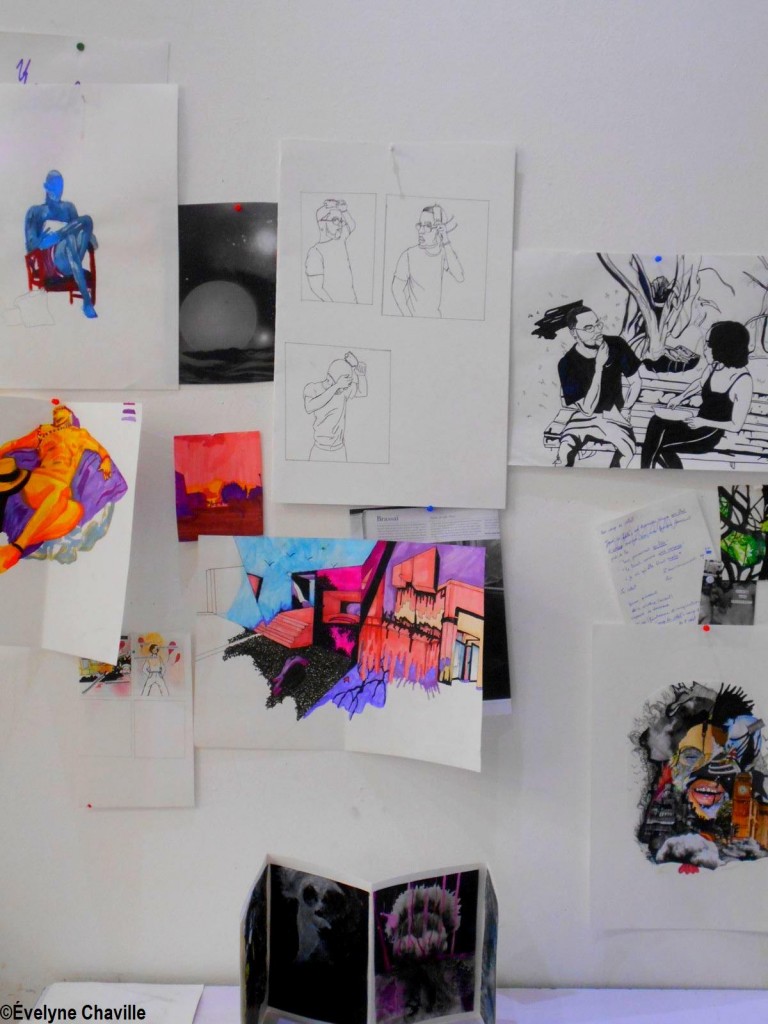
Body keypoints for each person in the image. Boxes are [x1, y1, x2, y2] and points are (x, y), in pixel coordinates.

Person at [0, 404, 120, 572]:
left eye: (62, 412)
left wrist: (105, 459)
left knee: (74, 511)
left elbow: (100, 449)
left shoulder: (80, 435)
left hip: (60, 486)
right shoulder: (43, 432)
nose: (57, 414)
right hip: (37, 483)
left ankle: (14, 548)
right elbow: (15, 444)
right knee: (58, 491)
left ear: (70, 416)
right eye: (55, 413)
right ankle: (18, 547)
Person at [640, 321, 752, 469]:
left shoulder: (743, 381)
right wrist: (680, 398)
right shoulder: (715, 367)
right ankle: (657, 472)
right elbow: (699, 383)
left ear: (723, 347)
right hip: (694, 424)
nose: (704, 348)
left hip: (708, 434)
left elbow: (736, 425)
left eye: (708, 344)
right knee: (656, 422)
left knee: (658, 444)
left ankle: (647, 472)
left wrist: (703, 422)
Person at [554, 305, 642, 467]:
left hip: (613, 417)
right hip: (583, 418)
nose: (597, 330)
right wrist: (599, 367)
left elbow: (636, 381)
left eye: (598, 324)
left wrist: (627, 408)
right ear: (574, 333)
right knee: (564, 451)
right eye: (589, 328)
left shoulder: (616, 344)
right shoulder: (567, 364)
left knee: (627, 451)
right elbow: (587, 409)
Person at [24, 170, 98, 318]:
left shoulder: (69, 208)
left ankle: (59, 234)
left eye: (60, 188)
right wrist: (41, 240)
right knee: (70, 239)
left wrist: (87, 236)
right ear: (46, 187)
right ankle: (86, 301)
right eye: (54, 187)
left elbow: (80, 232)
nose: (58, 192)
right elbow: (30, 246)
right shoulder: (35, 212)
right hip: (51, 261)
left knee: (87, 221)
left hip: (71, 257)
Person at [391, 204, 463, 318]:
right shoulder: (409, 254)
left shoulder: (442, 253)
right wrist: (408, 317)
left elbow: (459, 277)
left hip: (436, 318)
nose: (421, 231)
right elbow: (396, 288)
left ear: (439, 230)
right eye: (420, 225)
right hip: (414, 318)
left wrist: (445, 239)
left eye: (427, 226)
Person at [303, 352, 367, 461]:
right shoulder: (312, 388)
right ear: (330, 379)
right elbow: (309, 407)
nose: (346, 388)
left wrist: (360, 372)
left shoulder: (343, 391)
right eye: (344, 385)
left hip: (339, 450)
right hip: (319, 450)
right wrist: (337, 386)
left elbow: (362, 392)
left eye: (347, 384)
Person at [305, 199, 357, 303]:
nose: (340, 225)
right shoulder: (315, 253)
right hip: (336, 306)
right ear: (321, 224)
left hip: (352, 302)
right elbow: (317, 288)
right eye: (335, 220)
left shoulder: (340, 240)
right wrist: (334, 306)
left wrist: (344, 210)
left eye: (341, 221)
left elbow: (351, 225)